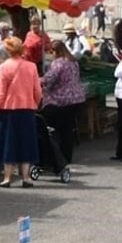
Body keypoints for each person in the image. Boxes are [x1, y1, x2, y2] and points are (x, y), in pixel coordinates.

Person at [0, 36, 45, 185]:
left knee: (10, 143)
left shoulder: (4, 67)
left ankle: (7, 177)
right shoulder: (31, 66)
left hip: (8, 110)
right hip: (27, 110)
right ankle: (26, 177)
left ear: (8, 51)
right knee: (26, 143)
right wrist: (34, 103)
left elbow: (1, 92)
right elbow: (38, 91)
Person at [39, 42, 85, 183]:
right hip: (76, 99)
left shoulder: (58, 64)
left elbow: (49, 80)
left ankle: (57, 157)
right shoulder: (73, 62)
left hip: (60, 101)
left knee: (54, 130)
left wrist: (39, 80)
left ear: (54, 51)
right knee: (68, 129)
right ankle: (67, 155)